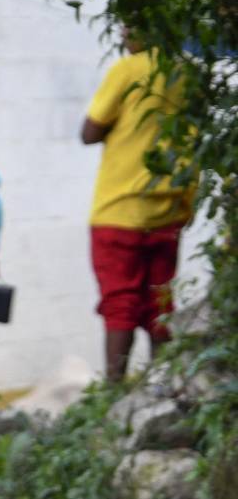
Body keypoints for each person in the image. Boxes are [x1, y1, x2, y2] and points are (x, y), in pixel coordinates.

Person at [81, 33, 193, 382]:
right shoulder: (186, 72)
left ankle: (114, 395)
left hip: (120, 209)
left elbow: (89, 131)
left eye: (128, 28)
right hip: (169, 207)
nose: (123, 37)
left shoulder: (127, 70)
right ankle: (164, 388)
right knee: (159, 302)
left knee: (121, 304)